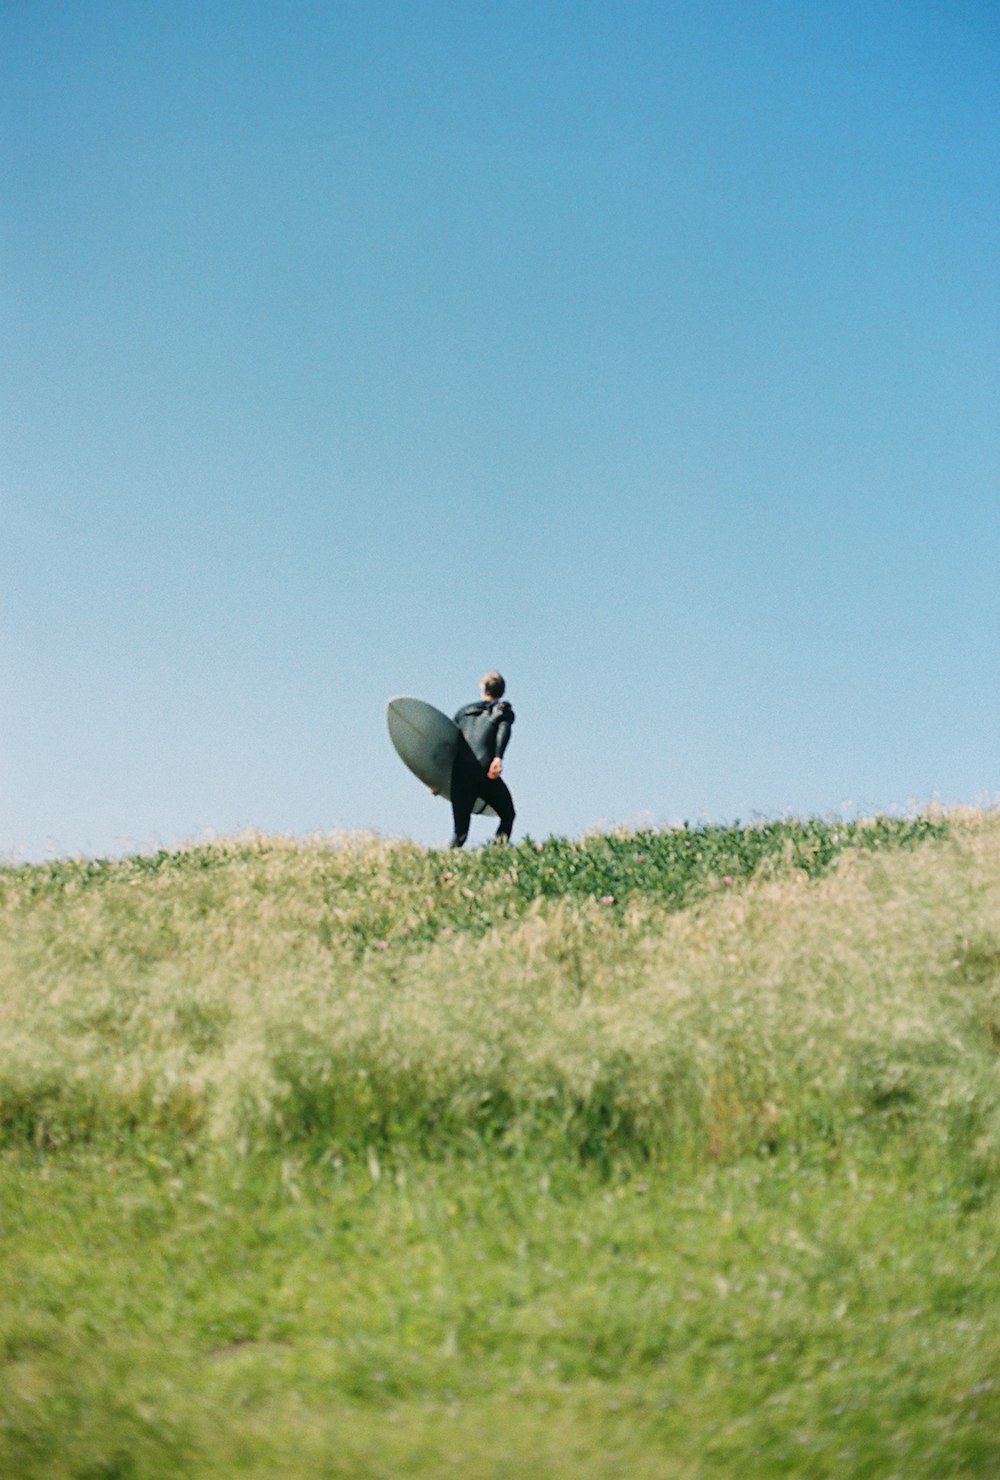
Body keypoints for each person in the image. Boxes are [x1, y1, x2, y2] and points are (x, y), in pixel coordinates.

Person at [449, 671, 516, 848]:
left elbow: (449, 744)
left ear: (482, 689)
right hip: (484, 773)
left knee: (459, 832)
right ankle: (495, 853)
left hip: (460, 775)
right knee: (508, 815)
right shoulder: (502, 710)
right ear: (502, 691)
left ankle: (445, 866)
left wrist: (435, 777)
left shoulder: (463, 713)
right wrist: (498, 758)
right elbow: (503, 731)